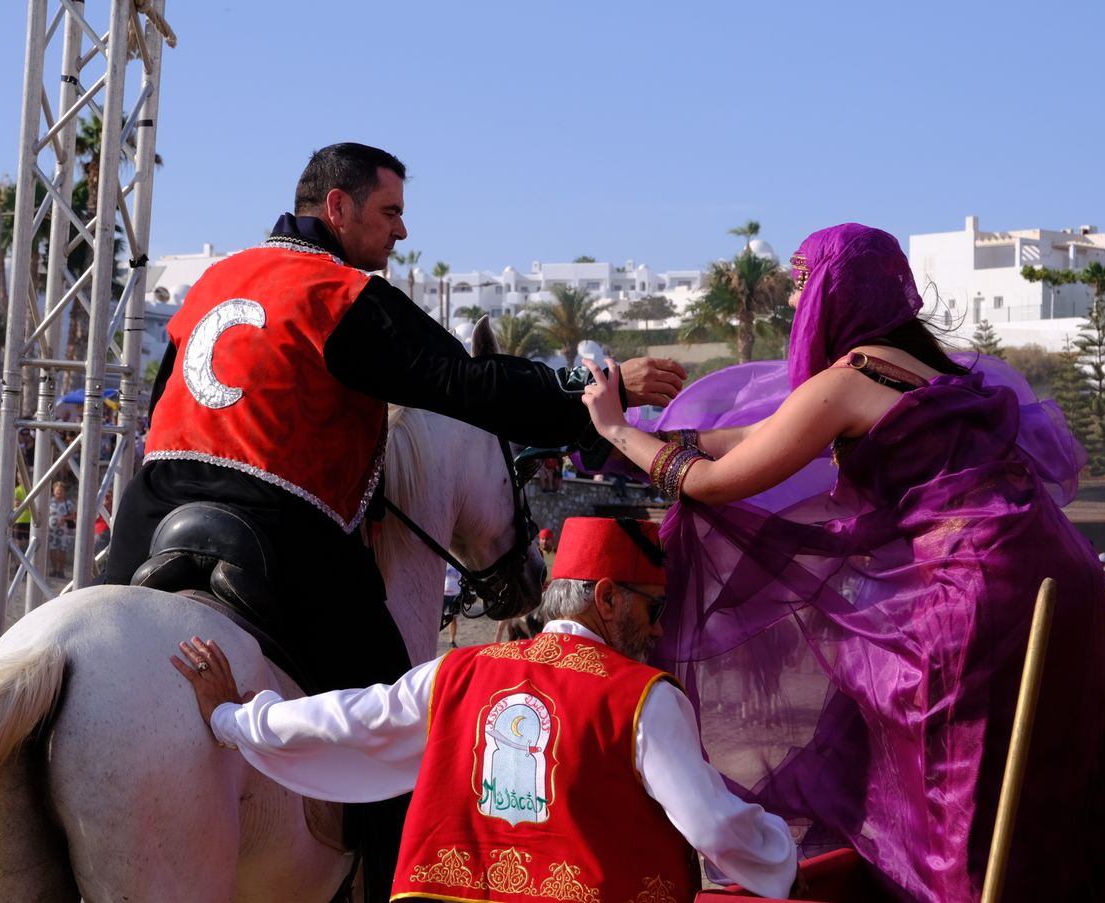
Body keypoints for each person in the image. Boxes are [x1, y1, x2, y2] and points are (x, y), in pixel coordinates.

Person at [103, 142, 685, 903]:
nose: (400, 233)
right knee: (389, 720)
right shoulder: (336, 291)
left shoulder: (211, 283)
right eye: (390, 212)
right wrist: (592, 385)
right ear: (335, 208)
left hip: (151, 516)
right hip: (276, 525)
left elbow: (160, 411)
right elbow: (466, 382)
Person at [579, 224, 1105, 902]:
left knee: (954, 778)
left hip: (977, 584)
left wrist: (613, 430)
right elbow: (751, 438)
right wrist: (628, 444)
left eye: (806, 280)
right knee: (1040, 768)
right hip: (1060, 574)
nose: (796, 298)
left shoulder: (848, 378)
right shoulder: (929, 369)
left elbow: (714, 481)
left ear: (837, 289)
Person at [171, 517, 799, 901]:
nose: (658, 631)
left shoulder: (457, 672)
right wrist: (782, 858)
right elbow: (714, 828)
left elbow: (348, 719)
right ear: (608, 598)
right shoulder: (643, 697)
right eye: (652, 609)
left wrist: (233, 720)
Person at [46, 480, 75, 579]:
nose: (59, 493)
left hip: (64, 532)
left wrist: (64, 518)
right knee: (52, 550)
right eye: (57, 491)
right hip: (52, 531)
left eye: (61, 491)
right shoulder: (49, 502)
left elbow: (74, 515)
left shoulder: (68, 503)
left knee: (62, 551)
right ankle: (54, 569)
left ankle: (61, 570)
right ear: (54, 491)